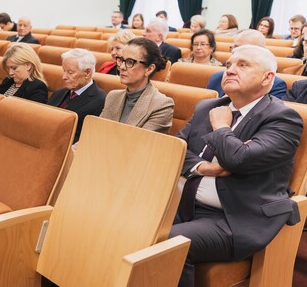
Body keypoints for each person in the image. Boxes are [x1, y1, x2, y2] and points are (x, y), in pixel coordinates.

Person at [170, 44, 303, 287]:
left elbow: (238, 160)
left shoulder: (282, 118)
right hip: (182, 203)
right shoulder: (207, 107)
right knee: (133, 220)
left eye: (242, 65)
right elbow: (174, 149)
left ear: (267, 78)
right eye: (229, 64)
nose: (230, 70)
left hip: (236, 217)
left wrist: (221, 127)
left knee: (172, 242)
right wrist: (203, 168)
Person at [100, 37, 174, 133]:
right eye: (121, 60)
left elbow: (137, 144)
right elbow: (97, 132)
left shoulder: (161, 105)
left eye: (130, 62)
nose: (122, 67)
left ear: (149, 69)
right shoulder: (113, 96)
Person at [206, 29, 287, 98]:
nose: (237, 52)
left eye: (244, 49)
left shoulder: (274, 84)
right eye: (235, 47)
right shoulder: (217, 78)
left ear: (261, 52)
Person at [48, 48, 106, 143]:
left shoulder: (101, 100)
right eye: (64, 71)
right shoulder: (58, 93)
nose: (64, 77)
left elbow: (89, 139)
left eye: (70, 72)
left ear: (87, 73)